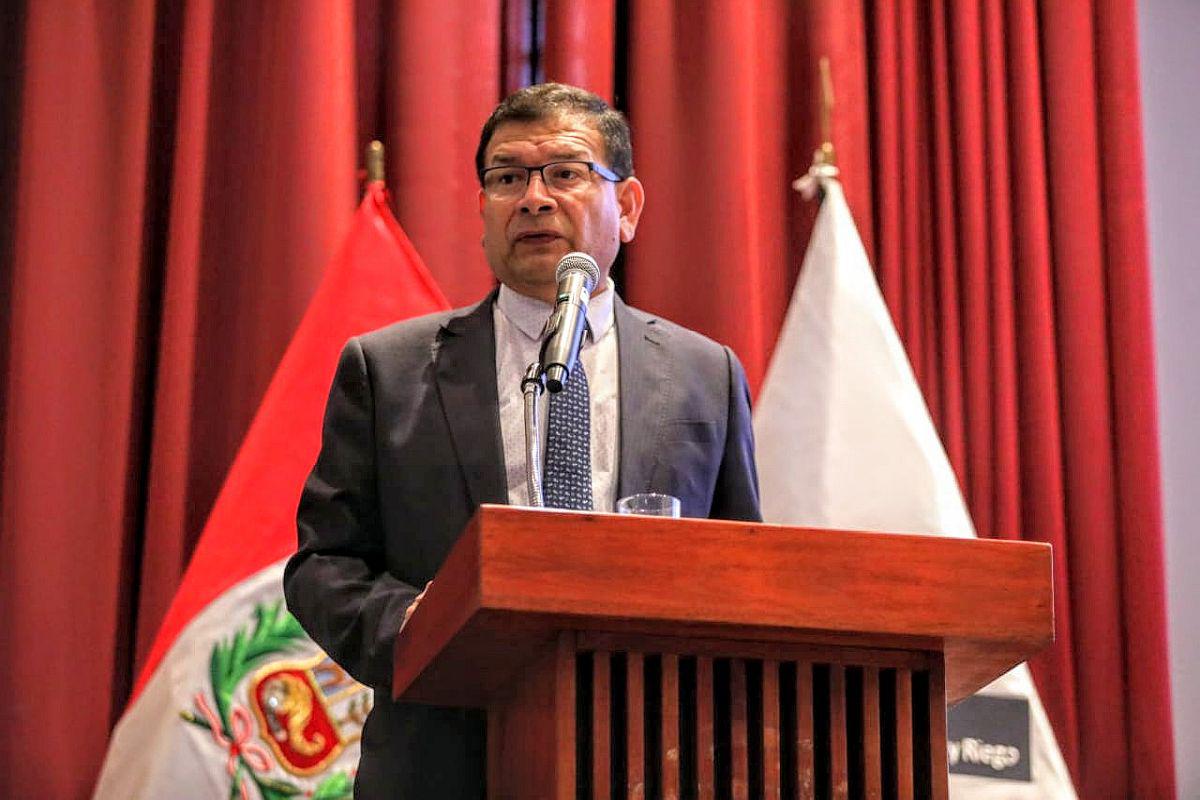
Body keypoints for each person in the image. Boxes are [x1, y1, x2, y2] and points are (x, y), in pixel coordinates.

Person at [284, 83, 761, 798]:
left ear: (628, 206)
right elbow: (324, 564)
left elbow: (741, 567)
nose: (534, 199)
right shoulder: (388, 369)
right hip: (442, 762)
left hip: (649, 755)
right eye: (508, 178)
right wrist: (419, 627)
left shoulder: (705, 373)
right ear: (483, 209)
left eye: (566, 173)